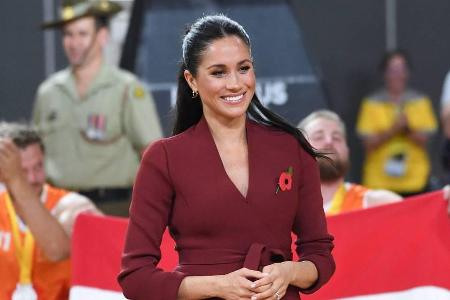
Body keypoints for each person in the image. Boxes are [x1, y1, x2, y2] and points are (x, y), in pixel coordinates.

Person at [118, 15, 335, 300]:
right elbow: (135, 277)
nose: (235, 84)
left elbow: (320, 256)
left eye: (243, 68)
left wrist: (289, 273)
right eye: (218, 72)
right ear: (191, 80)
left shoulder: (290, 148)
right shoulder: (164, 158)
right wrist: (218, 286)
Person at [33, 0, 163, 216]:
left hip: (114, 207)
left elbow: (152, 155)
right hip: (58, 208)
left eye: (83, 34)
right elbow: (35, 156)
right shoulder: (48, 92)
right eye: (68, 34)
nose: (74, 43)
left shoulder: (127, 89)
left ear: (102, 36)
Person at [0, 122, 100, 300]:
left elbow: (57, 250)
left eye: (38, 167)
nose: (32, 178)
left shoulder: (72, 205)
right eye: (22, 171)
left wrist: (16, 180)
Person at [356, 50, 437, 196]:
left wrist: (406, 129)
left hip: (415, 181)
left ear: (408, 72)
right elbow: (368, 144)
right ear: (385, 73)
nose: (397, 75)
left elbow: (426, 140)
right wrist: (393, 130)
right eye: (393, 70)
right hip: (379, 182)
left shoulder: (420, 102)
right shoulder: (372, 103)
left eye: (401, 69)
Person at [299, 110, 402, 215]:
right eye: (318, 137)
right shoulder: (286, 215)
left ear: (347, 151)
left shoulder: (379, 203)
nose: (329, 141)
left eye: (337, 138)